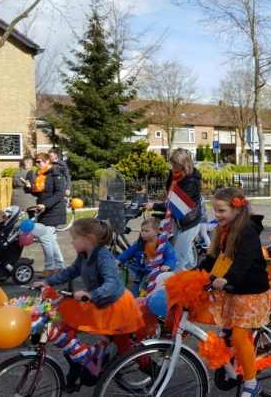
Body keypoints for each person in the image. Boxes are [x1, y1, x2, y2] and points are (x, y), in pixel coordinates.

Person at [33, 218, 146, 393]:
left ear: (89, 239)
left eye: (74, 238)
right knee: (65, 331)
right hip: (96, 302)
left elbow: (113, 284)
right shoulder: (84, 255)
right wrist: (47, 282)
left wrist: (90, 294)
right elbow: (70, 272)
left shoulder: (104, 257)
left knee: (125, 350)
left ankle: (153, 371)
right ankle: (77, 364)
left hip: (116, 306)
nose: (71, 242)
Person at [198, 187, 270, 397]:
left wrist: (228, 278)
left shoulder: (247, 232)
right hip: (233, 289)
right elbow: (212, 259)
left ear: (237, 209)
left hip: (251, 291)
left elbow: (243, 261)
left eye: (221, 210)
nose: (217, 215)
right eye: (215, 210)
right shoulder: (223, 230)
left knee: (239, 337)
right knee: (224, 333)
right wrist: (194, 274)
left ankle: (251, 384)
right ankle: (232, 362)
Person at [145, 148, 203, 272]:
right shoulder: (174, 175)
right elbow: (170, 194)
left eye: (176, 162)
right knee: (186, 254)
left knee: (178, 258)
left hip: (188, 222)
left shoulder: (192, 181)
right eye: (172, 162)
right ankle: (194, 277)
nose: (173, 165)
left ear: (184, 162)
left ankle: (176, 286)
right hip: (179, 219)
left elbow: (177, 204)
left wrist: (154, 206)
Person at [32, 153, 67, 278]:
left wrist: (45, 204)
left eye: (39, 161)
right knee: (51, 240)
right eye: (35, 162)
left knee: (45, 237)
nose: (37, 164)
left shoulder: (55, 174)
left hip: (54, 211)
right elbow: (41, 193)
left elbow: (59, 193)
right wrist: (28, 188)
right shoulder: (42, 175)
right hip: (46, 211)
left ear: (47, 161)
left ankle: (49, 267)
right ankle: (60, 265)